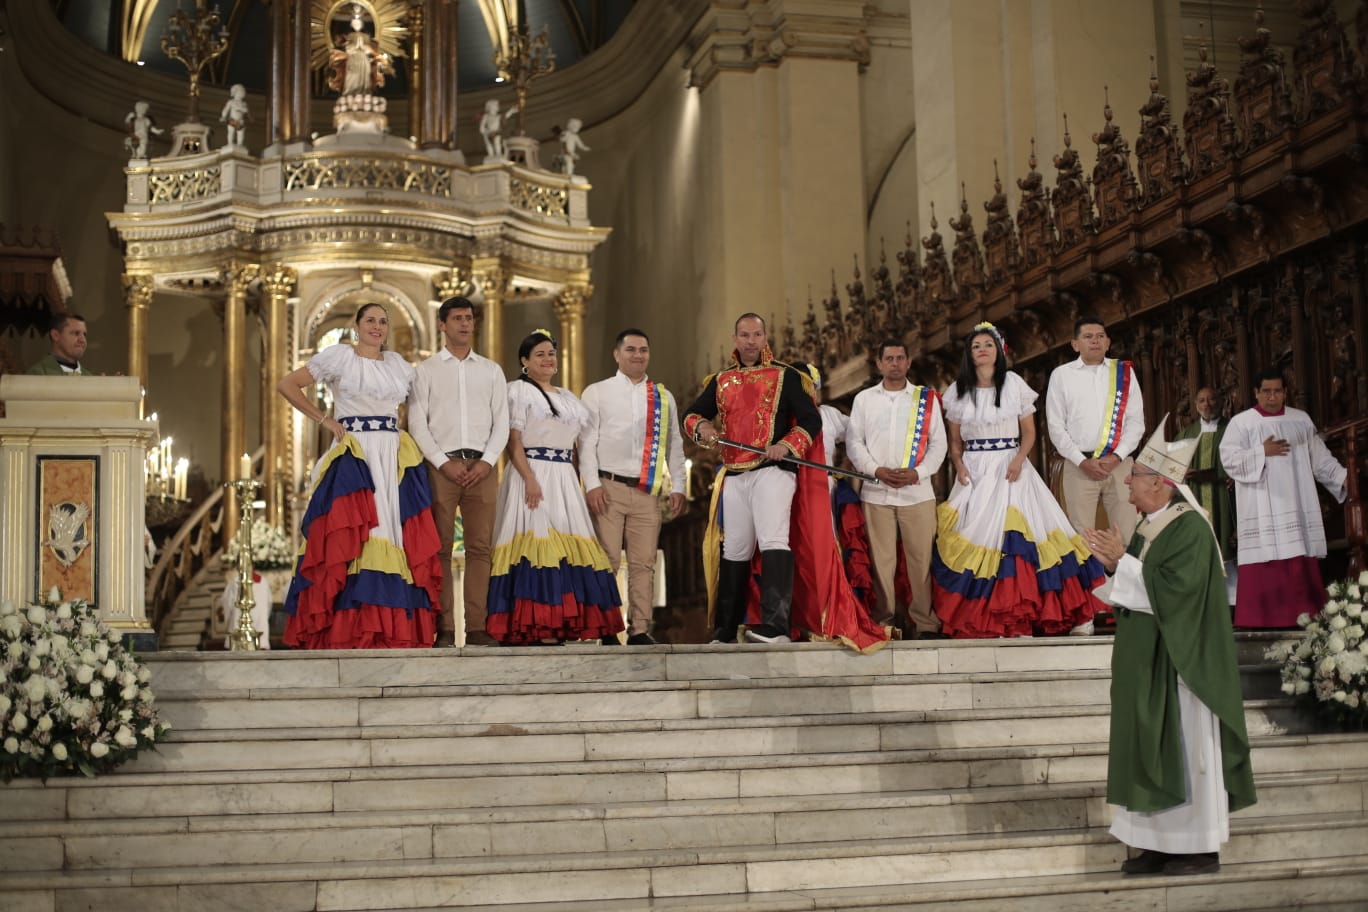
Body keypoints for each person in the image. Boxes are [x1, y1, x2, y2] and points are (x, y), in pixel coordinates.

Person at [1084, 421, 1256, 877]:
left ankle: (1196, 845)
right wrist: (1114, 567)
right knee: (1149, 743)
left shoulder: (1190, 530)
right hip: (1150, 660)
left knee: (1185, 748)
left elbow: (1176, 592)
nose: (1127, 482)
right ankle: (1157, 843)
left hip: (1183, 666)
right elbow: (1142, 583)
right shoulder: (1149, 526)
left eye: (1135, 475)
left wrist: (1123, 565)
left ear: (1159, 482)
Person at [277, 303, 441, 649]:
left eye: (383, 322)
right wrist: (324, 419)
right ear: (356, 325)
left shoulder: (398, 364)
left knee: (392, 535)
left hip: (393, 454)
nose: (377, 327)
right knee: (355, 537)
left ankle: (390, 628)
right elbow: (288, 384)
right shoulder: (340, 357)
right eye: (370, 320)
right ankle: (349, 630)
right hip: (355, 453)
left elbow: (425, 406)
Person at [933, 323, 1105, 637]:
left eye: (987, 344)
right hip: (975, 468)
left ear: (998, 351)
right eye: (976, 346)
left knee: (1032, 535)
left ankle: (1073, 613)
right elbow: (954, 441)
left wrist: (1017, 460)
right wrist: (958, 464)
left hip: (1011, 467)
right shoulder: (958, 390)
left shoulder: (1013, 383)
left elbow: (1029, 432)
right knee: (979, 538)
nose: (982, 350)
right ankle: (1001, 619)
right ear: (969, 355)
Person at [683, 314, 823, 644]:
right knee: (735, 548)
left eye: (756, 334)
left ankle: (777, 626)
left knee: (774, 540)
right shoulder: (720, 381)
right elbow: (692, 415)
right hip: (734, 473)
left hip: (772, 471)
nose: (750, 341)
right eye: (744, 335)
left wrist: (787, 445)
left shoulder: (786, 375)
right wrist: (703, 429)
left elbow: (810, 420)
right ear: (735, 339)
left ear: (764, 337)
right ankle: (725, 629)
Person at [486, 329, 624, 645]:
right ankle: (538, 626)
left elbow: (576, 447)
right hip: (532, 472)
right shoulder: (518, 391)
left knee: (576, 546)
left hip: (564, 477)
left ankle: (585, 625)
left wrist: (579, 481)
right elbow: (514, 441)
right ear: (524, 361)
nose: (548, 359)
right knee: (538, 547)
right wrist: (530, 480)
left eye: (551, 353)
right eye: (540, 354)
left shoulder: (568, 398)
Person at [407, 296, 510, 647]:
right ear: (442, 325)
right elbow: (417, 424)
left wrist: (487, 461)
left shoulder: (491, 370)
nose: (465, 324)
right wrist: (442, 462)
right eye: (458, 319)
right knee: (440, 549)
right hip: (441, 467)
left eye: (469, 318)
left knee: (481, 549)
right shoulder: (426, 371)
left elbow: (503, 422)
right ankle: (445, 629)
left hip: (483, 467)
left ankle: (478, 628)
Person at [579, 329, 686, 646]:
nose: (638, 355)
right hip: (608, 487)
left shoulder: (663, 397)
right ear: (617, 354)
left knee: (644, 563)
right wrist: (592, 484)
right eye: (631, 349)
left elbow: (674, 446)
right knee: (607, 560)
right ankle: (606, 628)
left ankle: (639, 628)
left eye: (643, 350)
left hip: (647, 492)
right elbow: (585, 444)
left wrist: (678, 485)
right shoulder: (597, 392)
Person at [1220, 367, 1347, 628]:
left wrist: (1344, 479)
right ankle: (1260, 620)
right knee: (1265, 561)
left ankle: (1305, 618)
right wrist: (1260, 451)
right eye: (1266, 391)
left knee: (1298, 558)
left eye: (1277, 391)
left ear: (1285, 392)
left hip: (1296, 502)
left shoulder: (1300, 420)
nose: (1272, 397)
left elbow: (1320, 459)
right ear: (1256, 392)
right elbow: (1229, 461)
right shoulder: (1241, 423)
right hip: (1261, 507)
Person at [1045, 316, 1144, 633]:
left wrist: (1117, 455)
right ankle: (1085, 614)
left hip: (1119, 464)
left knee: (1125, 532)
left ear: (1108, 341)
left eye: (1101, 335)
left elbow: (1136, 422)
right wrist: (1079, 459)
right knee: (1082, 537)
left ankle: (1129, 608)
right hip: (1078, 465)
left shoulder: (1123, 373)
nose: (1096, 341)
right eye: (1088, 336)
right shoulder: (1061, 375)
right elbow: (1055, 426)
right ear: (1075, 344)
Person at [845, 339, 947, 639]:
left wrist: (918, 472)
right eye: (888, 358)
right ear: (879, 364)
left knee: (921, 560)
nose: (894, 363)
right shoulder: (864, 400)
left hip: (917, 493)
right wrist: (875, 471)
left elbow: (939, 443)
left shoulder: (924, 399)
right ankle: (884, 622)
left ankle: (925, 624)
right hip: (877, 493)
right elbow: (854, 442)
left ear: (908, 362)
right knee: (881, 562)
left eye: (900, 358)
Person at [1176, 386, 1236, 567]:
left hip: (1225, 497)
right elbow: (1173, 466)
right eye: (1202, 400)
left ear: (1220, 402)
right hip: (1196, 496)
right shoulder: (1186, 434)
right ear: (1196, 405)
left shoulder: (1232, 429)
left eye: (1211, 399)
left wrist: (1232, 476)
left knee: (1227, 547)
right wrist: (1182, 471)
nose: (1207, 404)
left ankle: (1232, 593)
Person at [220, 84, 249, 148]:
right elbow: (226, 109)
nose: (244, 93)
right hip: (232, 119)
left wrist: (239, 108)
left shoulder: (243, 103)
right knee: (231, 132)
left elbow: (246, 110)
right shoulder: (231, 102)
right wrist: (223, 116)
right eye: (242, 91)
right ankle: (230, 143)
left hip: (240, 121)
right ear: (236, 92)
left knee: (240, 133)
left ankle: (240, 144)